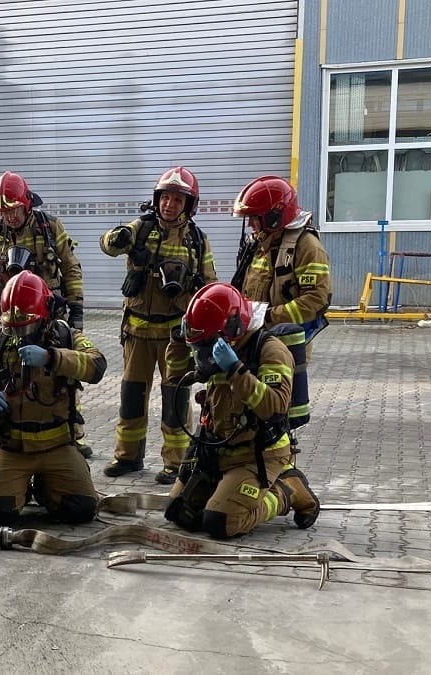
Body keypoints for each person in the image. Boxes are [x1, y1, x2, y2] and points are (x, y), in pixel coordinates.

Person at [0, 271, 106, 526]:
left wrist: (51, 358)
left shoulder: (66, 337)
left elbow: (97, 366)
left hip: (57, 446)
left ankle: (48, 486)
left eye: (27, 327)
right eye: (12, 328)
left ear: (45, 317)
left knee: (80, 510)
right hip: (12, 447)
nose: (19, 335)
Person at [163, 283, 320, 539]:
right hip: (216, 448)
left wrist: (236, 370)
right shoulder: (214, 341)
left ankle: (286, 491)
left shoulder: (270, 350)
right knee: (178, 513)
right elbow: (174, 375)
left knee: (221, 522)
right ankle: (225, 487)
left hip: (257, 453)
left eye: (204, 347)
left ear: (233, 329)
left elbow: (274, 406)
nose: (202, 356)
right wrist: (179, 342)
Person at [99, 166, 216, 484]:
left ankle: (176, 462)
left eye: (177, 199)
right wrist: (118, 237)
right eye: (165, 197)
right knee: (131, 396)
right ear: (157, 199)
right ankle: (127, 457)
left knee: (175, 398)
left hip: (174, 336)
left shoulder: (197, 241)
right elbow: (107, 246)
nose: (169, 204)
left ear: (188, 204)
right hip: (137, 331)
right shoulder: (141, 228)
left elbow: (209, 287)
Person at [0, 171, 92, 457]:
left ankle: (72, 434)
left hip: (49, 315)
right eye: (3, 212)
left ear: (26, 203)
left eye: (13, 210)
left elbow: (70, 267)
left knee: (62, 374)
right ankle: (12, 429)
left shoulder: (50, 227)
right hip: (12, 317)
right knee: (11, 371)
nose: (9, 217)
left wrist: (75, 309)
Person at [229, 175, 331, 355]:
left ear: (273, 217)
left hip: (286, 348)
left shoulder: (307, 246)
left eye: (255, 218)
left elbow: (316, 300)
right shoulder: (260, 244)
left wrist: (266, 316)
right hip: (254, 341)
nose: (251, 225)